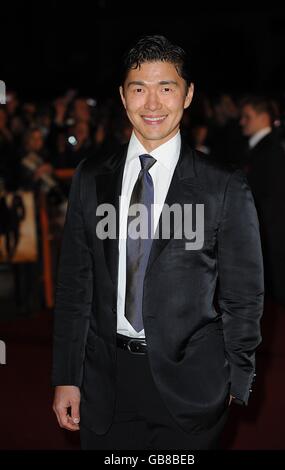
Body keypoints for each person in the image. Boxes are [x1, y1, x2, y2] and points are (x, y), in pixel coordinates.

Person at [52, 35, 264, 450]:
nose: (152, 104)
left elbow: (244, 292)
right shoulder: (92, 176)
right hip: (104, 382)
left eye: (166, 88)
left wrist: (237, 376)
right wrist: (66, 375)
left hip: (191, 384)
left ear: (187, 96)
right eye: (139, 89)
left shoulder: (222, 185)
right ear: (122, 96)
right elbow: (75, 284)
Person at [240, 97, 285, 314]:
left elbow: (269, 197)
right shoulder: (260, 148)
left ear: (263, 118)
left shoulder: (271, 149)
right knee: (271, 289)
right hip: (263, 232)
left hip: (269, 233)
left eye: (247, 117)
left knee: (280, 288)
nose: (242, 122)